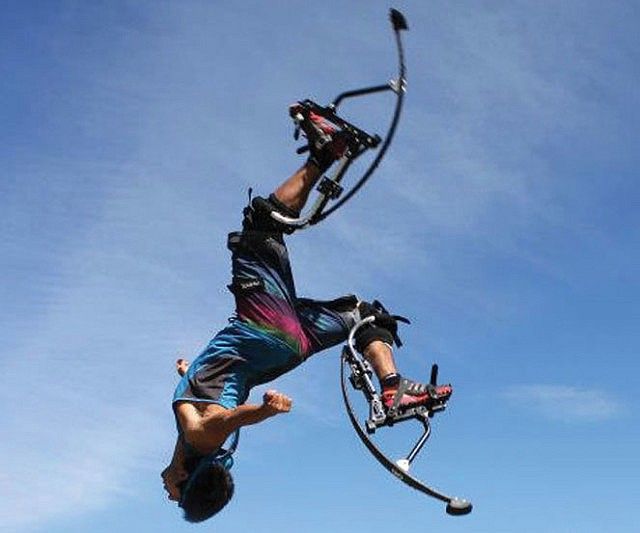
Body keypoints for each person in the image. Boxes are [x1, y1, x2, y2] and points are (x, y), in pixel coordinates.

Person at [161, 106, 452, 522]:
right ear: (186, 479)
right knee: (260, 227)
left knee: (365, 316)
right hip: (264, 329)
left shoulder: (196, 434)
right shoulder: (197, 436)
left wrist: (189, 372)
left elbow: (218, 400)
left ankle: (391, 388)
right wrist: (263, 410)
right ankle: (327, 150)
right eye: (177, 496)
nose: (168, 495)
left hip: (285, 348)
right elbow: (219, 420)